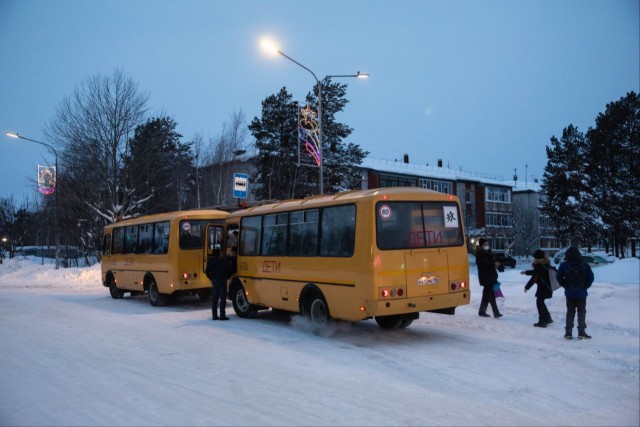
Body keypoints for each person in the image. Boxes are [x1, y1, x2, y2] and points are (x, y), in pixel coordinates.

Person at [556, 246, 594, 339]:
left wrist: (565, 285)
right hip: (582, 293)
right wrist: (585, 287)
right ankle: (581, 332)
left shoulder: (564, 265)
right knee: (581, 312)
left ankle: (568, 332)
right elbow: (591, 278)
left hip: (569, 293)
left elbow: (558, 277)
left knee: (570, 312)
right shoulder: (584, 265)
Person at [521, 249, 554, 327]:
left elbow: (535, 274)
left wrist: (526, 272)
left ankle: (542, 321)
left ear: (539, 258)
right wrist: (527, 287)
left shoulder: (540, 266)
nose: (534, 259)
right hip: (547, 287)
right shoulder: (546, 264)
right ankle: (548, 318)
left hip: (543, 288)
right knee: (541, 302)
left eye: (535, 258)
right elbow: (534, 278)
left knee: (539, 303)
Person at [475, 238, 503, 318]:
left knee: (486, 296)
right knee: (491, 295)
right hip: (485, 277)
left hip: (491, 277)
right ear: (481, 245)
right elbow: (483, 264)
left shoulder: (488, 252)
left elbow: (493, 261)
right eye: (485, 244)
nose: (487, 245)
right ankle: (496, 312)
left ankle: (482, 311)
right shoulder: (479, 253)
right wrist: (494, 264)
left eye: (487, 244)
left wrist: (499, 263)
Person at [205, 247, 229, 321]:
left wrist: (211, 278)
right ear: (219, 254)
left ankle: (214, 316)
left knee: (215, 299)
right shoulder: (223, 260)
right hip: (222, 281)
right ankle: (222, 315)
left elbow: (207, 272)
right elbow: (228, 268)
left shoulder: (210, 261)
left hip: (215, 281)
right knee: (222, 299)